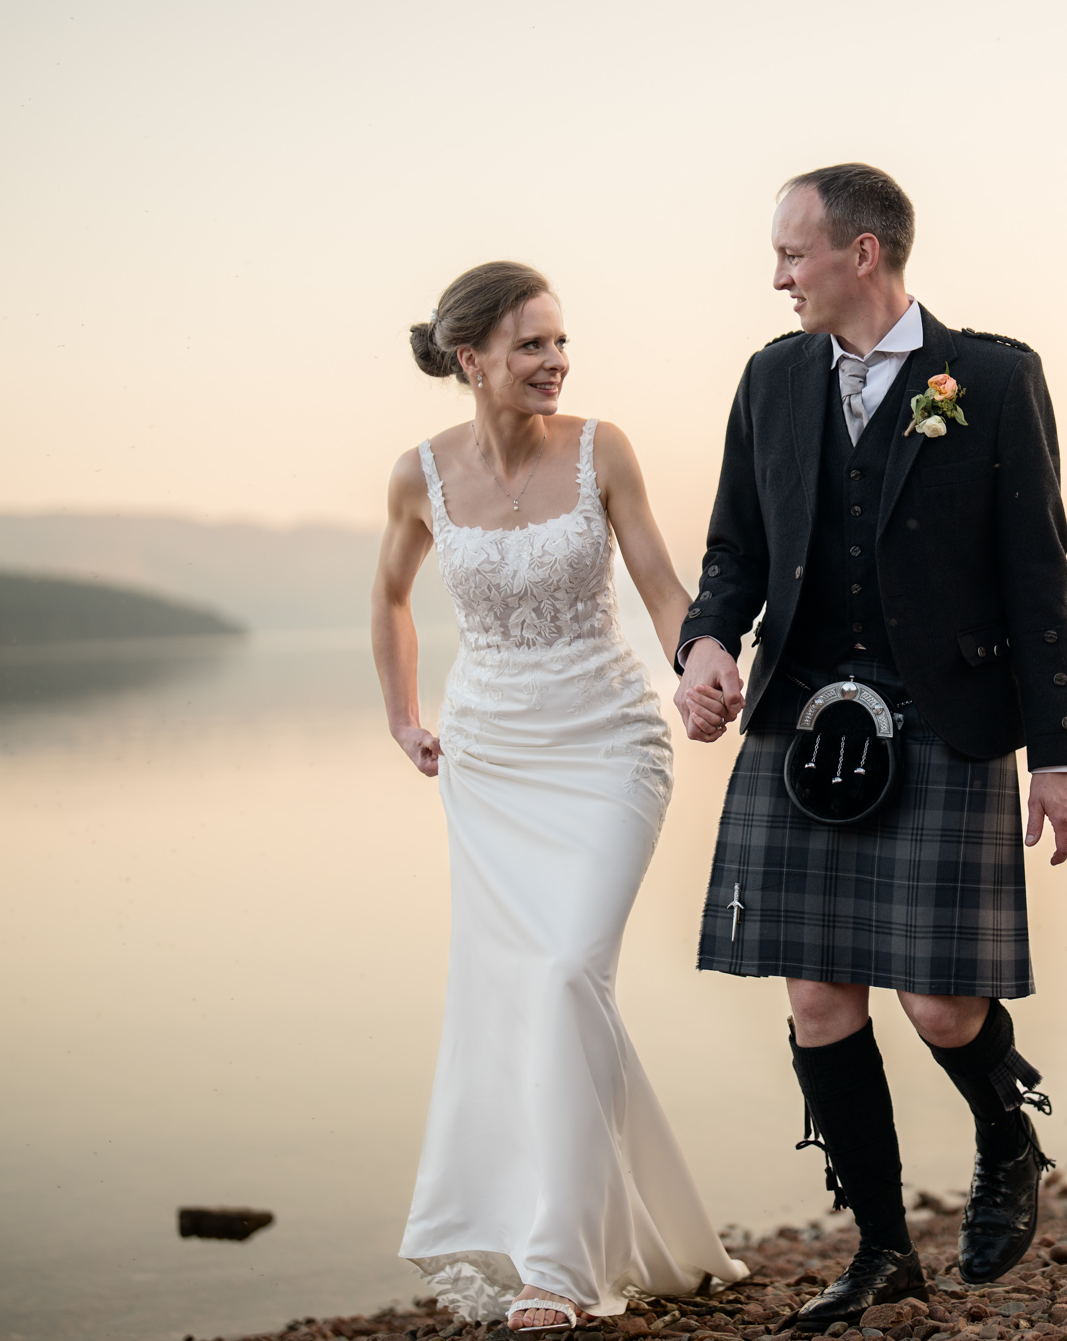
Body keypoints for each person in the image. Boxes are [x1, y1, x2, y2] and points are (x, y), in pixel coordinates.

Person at [674, 165, 1067, 1330]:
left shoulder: (995, 377)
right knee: (819, 996)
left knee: (942, 1006)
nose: (776, 276)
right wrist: (707, 642)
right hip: (802, 717)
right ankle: (879, 1251)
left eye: (793, 253)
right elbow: (735, 549)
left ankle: (1007, 1140)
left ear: (864, 254)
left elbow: (1037, 573)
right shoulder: (771, 378)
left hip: (944, 721)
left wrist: (1062, 749)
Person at [373, 261, 748, 1333]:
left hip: (610, 745)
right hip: (489, 762)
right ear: (471, 357)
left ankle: (556, 1264)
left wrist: (697, 661)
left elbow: (665, 587)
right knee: (537, 992)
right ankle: (637, 1231)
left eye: (559, 341)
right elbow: (390, 596)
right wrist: (404, 716)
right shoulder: (419, 476)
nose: (555, 361)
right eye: (531, 344)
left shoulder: (602, 448)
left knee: (571, 967)